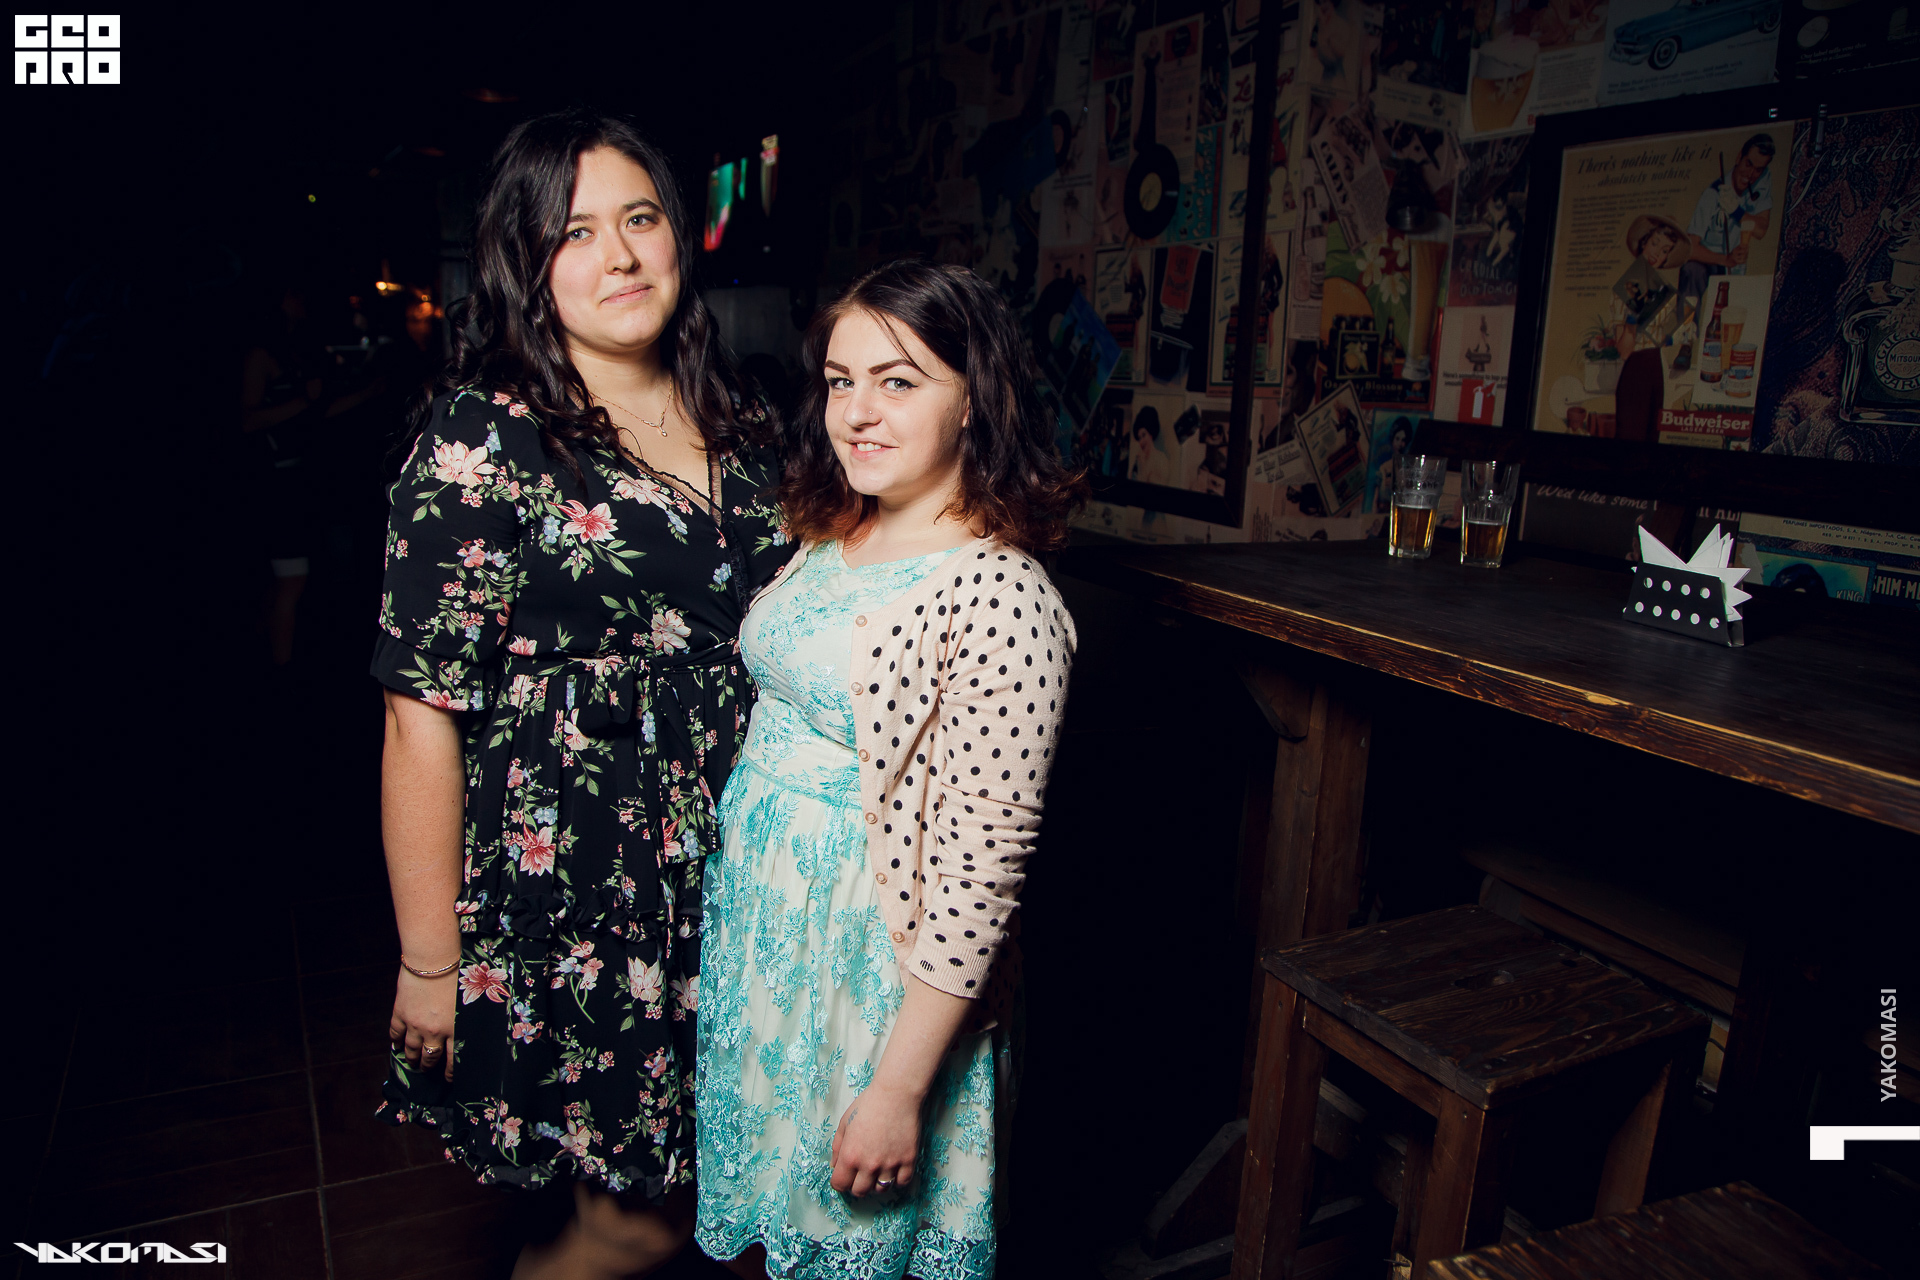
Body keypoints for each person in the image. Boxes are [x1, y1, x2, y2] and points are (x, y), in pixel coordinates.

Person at [373, 109, 792, 1280]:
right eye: (575, 232)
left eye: (640, 218)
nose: (620, 254)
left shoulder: (745, 416)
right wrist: (429, 960)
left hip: (747, 861)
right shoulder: (483, 438)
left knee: (746, 1185)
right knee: (631, 1221)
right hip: (593, 882)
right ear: (526, 262)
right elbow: (418, 712)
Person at [695, 260, 1085, 1279]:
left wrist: (899, 1088)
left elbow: (981, 875)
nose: (857, 413)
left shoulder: (1001, 596)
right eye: (840, 380)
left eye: (899, 381)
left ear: (975, 398)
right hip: (777, 945)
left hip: (871, 973)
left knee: (853, 1242)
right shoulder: (841, 529)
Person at [1681, 133, 1775, 307]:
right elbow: (1690, 248)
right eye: (1748, 164)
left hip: (1736, 268)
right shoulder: (1712, 195)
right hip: (1709, 261)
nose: (1750, 174)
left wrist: (1736, 212)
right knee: (1692, 270)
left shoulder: (1763, 179)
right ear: (1739, 157)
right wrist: (1725, 259)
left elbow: (1761, 230)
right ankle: (1686, 324)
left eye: (1758, 170)